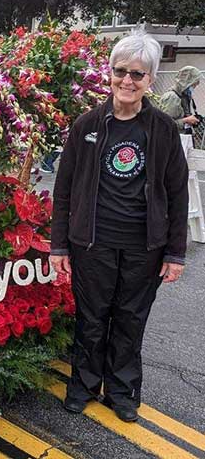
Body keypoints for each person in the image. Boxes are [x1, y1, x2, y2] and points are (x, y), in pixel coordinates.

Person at [50, 30, 189, 423]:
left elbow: (178, 195)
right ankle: (83, 385)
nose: (127, 80)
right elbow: (64, 189)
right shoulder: (87, 125)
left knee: (130, 319)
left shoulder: (163, 129)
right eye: (120, 71)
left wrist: (175, 253)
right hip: (91, 243)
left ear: (150, 80)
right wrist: (59, 246)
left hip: (144, 247)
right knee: (90, 318)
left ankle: (123, 391)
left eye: (138, 74)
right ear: (109, 73)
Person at [159, 65, 203, 135]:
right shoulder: (172, 97)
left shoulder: (184, 96)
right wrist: (186, 120)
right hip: (171, 140)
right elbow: (164, 125)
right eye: (193, 85)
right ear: (187, 83)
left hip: (181, 138)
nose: (194, 87)